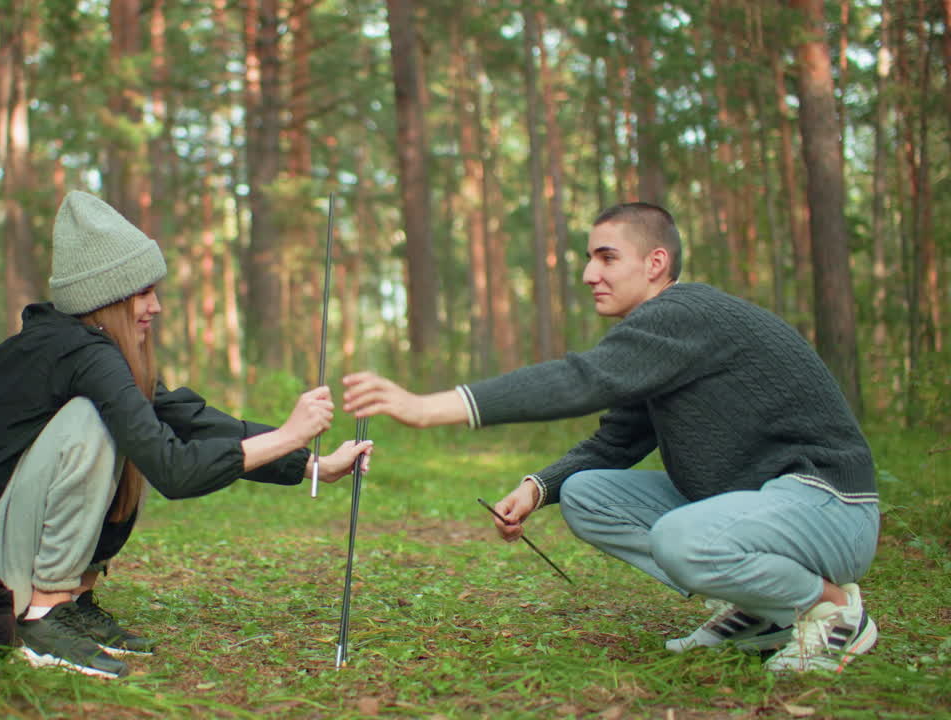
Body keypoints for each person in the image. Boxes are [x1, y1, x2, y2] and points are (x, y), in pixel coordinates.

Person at [341, 202, 879, 674]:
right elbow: (614, 442)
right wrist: (537, 488)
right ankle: (767, 613)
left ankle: (833, 610)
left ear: (655, 263)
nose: (588, 273)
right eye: (589, 257)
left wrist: (426, 407)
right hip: (761, 511)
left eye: (605, 257)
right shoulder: (664, 341)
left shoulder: (683, 314)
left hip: (830, 508)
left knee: (681, 539)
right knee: (586, 495)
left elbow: (582, 379)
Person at [0, 190, 371, 679]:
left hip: (1, 541)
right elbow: (174, 471)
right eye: (143, 292)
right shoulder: (77, 353)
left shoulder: (90, 350)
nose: (155, 306)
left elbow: (193, 421)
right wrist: (285, 435)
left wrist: (310, 463)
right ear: (107, 295)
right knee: (99, 426)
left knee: (132, 427)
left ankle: (74, 600)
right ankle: (43, 616)